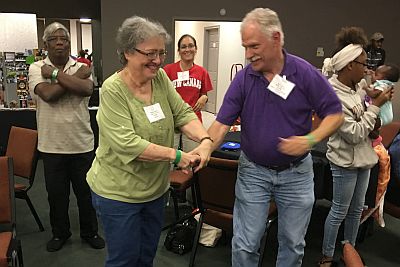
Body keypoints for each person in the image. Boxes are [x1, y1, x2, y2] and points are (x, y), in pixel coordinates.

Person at [205, 8, 344, 267]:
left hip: (297, 174)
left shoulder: (304, 73)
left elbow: (335, 115)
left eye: (254, 46)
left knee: (292, 245)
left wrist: (310, 140)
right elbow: (221, 124)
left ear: (277, 38)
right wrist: (203, 150)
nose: (248, 54)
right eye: (245, 47)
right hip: (253, 172)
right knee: (245, 244)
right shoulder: (244, 78)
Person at [86, 16, 212, 267]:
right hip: (119, 194)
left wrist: (205, 139)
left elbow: (183, 113)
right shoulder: (112, 90)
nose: (157, 60)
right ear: (127, 53)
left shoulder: (160, 79)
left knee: (146, 257)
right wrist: (178, 156)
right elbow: (127, 144)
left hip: (154, 191)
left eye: (161, 53)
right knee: (124, 261)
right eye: (151, 53)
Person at [319, 26, 393, 267]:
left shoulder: (357, 88)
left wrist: (373, 102)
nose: (367, 68)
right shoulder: (332, 95)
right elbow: (353, 133)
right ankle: (327, 256)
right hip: (345, 161)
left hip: (364, 158)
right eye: (362, 64)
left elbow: (368, 125)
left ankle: (348, 251)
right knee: (339, 210)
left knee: (356, 210)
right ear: (350, 65)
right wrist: (375, 106)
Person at [28, 22, 104, 252]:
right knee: (57, 197)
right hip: (51, 146)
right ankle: (60, 234)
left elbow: (87, 90)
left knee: (86, 194)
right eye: (54, 39)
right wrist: (73, 79)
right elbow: (48, 95)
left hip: (82, 143)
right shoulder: (35, 68)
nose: (60, 42)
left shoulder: (81, 66)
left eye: (64, 39)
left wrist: (53, 75)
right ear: (45, 44)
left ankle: (89, 232)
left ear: (69, 44)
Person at [164, 34, 213, 152]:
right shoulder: (168, 70)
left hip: (193, 121)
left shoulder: (202, 72)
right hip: (172, 122)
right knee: (170, 160)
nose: (187, 49)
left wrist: (204, 97)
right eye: (183, 47)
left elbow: (204, 94)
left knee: (192, 159)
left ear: (196, 49)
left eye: (191, 46)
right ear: (179, 50)